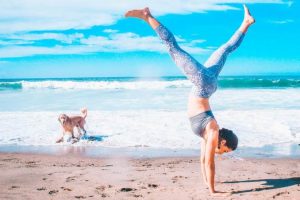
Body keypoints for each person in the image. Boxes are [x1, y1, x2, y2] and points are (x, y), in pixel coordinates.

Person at [125, 4, 255, 196]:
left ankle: (246, 24)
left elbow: (203, 160)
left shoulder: (208, 134)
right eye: (226, 151)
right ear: (224, 142)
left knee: (225, 50)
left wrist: (206, 183)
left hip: (206, 85)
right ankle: (147, 16)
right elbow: (210, 162)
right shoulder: (213, 131)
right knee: (173, 48)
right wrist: (213, 191)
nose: (224, 153)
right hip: (203, 84)